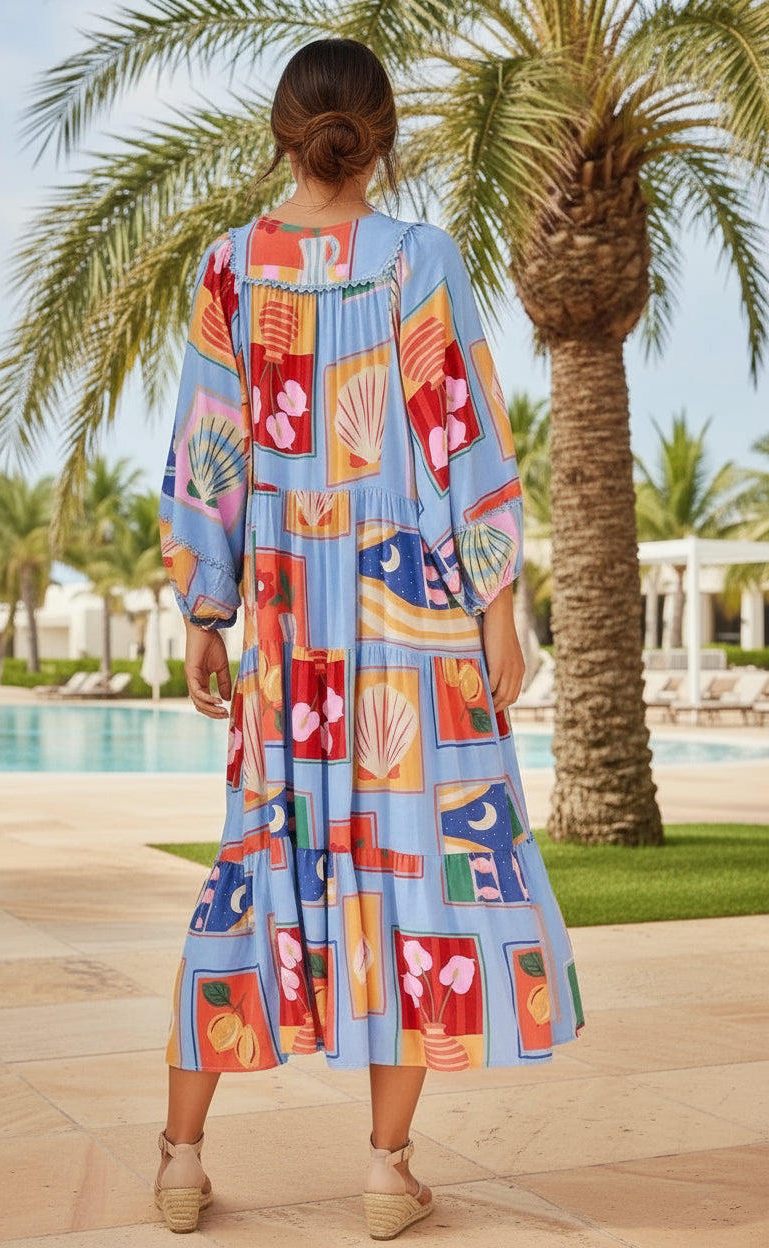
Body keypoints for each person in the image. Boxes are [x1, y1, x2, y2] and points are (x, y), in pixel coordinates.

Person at [155, 37, 585, 1238]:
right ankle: (385, 1172)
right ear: (382, 131)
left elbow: (210, 451)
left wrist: (207, 607)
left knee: (252, 867)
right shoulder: (417, 259)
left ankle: (180, 1160)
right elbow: (466, 440)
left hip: (292, 625)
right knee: (418, 883)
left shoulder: (232, 266)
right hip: (415, 619)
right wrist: (499, 610)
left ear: (282, 130)